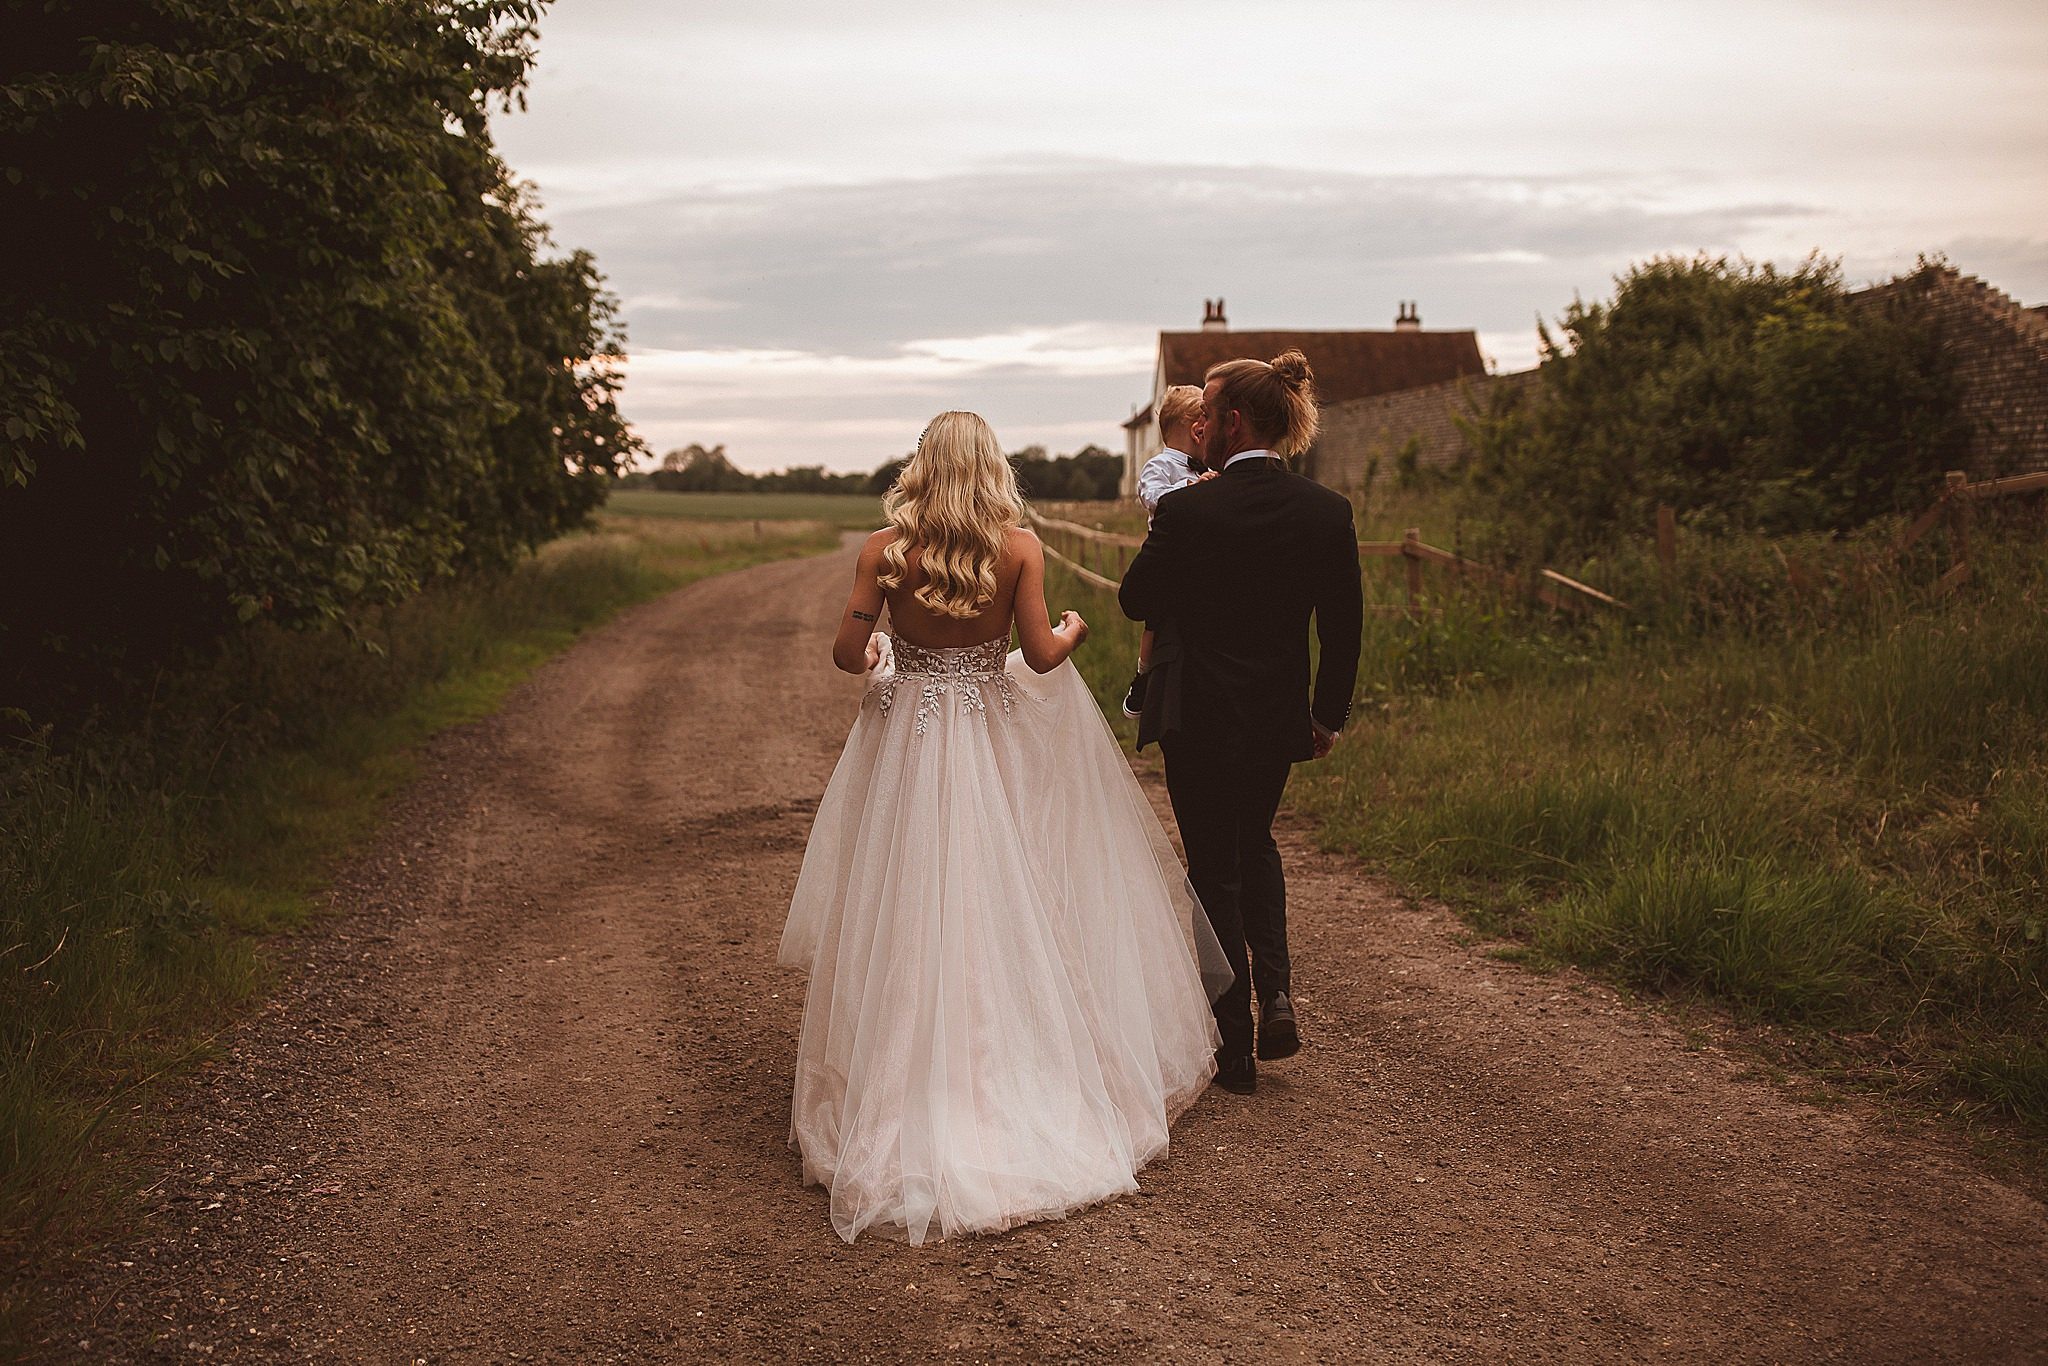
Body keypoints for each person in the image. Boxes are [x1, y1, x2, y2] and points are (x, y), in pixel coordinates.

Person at [779, 411, 1232, 1245]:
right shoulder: (1018, 547)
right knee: (998, 889)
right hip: (985, 738)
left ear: (922, 466)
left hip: (908, 742)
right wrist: (1073, 631)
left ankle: (902, 1078)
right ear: (991, 467)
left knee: (907, 892)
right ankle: (1010, 1071)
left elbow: (850, 656)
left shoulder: (883, 552)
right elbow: (1041, 654)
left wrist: (881, 654)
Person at [1117, 351, 1364, 1096]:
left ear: (1231, 422)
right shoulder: (1326, 512)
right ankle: (1278, 996)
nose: (1196, 427)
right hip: (1274, 716)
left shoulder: (1189, 510)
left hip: (1196, 713)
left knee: (1212, 867)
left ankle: (1234, 1048)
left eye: (1206, 414)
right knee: (1254, 840)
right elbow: (1344, 627)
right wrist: (1324, 717)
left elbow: (1134, 600)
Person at [1121, 384, 1208, 719]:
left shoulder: (1208, 467)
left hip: (1196, 558)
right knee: (1154, 621)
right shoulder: (1159, 466)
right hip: (1167, 556)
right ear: (1194, 428)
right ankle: (1143, 677)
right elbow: (1153, 497)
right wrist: (1191, 489)